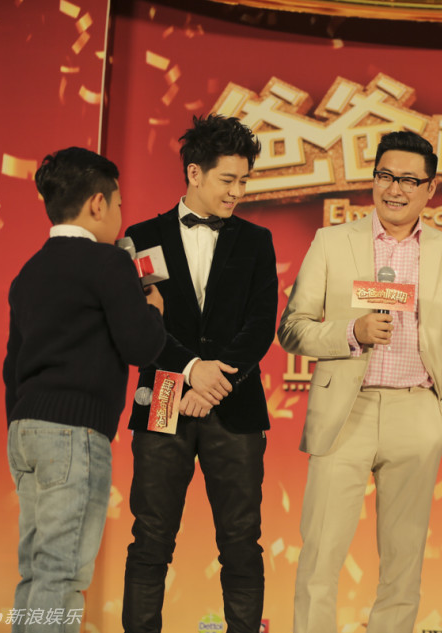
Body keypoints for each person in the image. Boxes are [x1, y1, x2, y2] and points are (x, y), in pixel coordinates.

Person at [277, 130, 442, 633]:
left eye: (410, 180)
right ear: (373, 179)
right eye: (386, 176)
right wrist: (352, 332)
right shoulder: (332, 242)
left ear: (430, 189)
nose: (396, 189)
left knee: (403, 561)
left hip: (417, 412)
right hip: (344, 413)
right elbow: (292, 327)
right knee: (320, 554)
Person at [121, 114, 278, 633]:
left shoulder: (256, 241)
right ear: (194, 172)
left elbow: (260, 326)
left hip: (235, 405)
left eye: (244, 181)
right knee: (150, 539)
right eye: (228, 180)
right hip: (165, 395)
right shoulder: (142, 238)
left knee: (241, 541)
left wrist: (212, 386)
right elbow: (144, 323)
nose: (237, 192)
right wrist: (190, 370)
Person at [3, 147, 165, 633]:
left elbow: (12, 366)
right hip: (73, 434)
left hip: (25, 433)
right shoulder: (108, 263)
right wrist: (154, 311)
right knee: (63, 572)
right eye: (118, 205)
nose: (120, 216)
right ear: (98, 203)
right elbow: (141, 346)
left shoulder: (29, 271)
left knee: (37, 570)